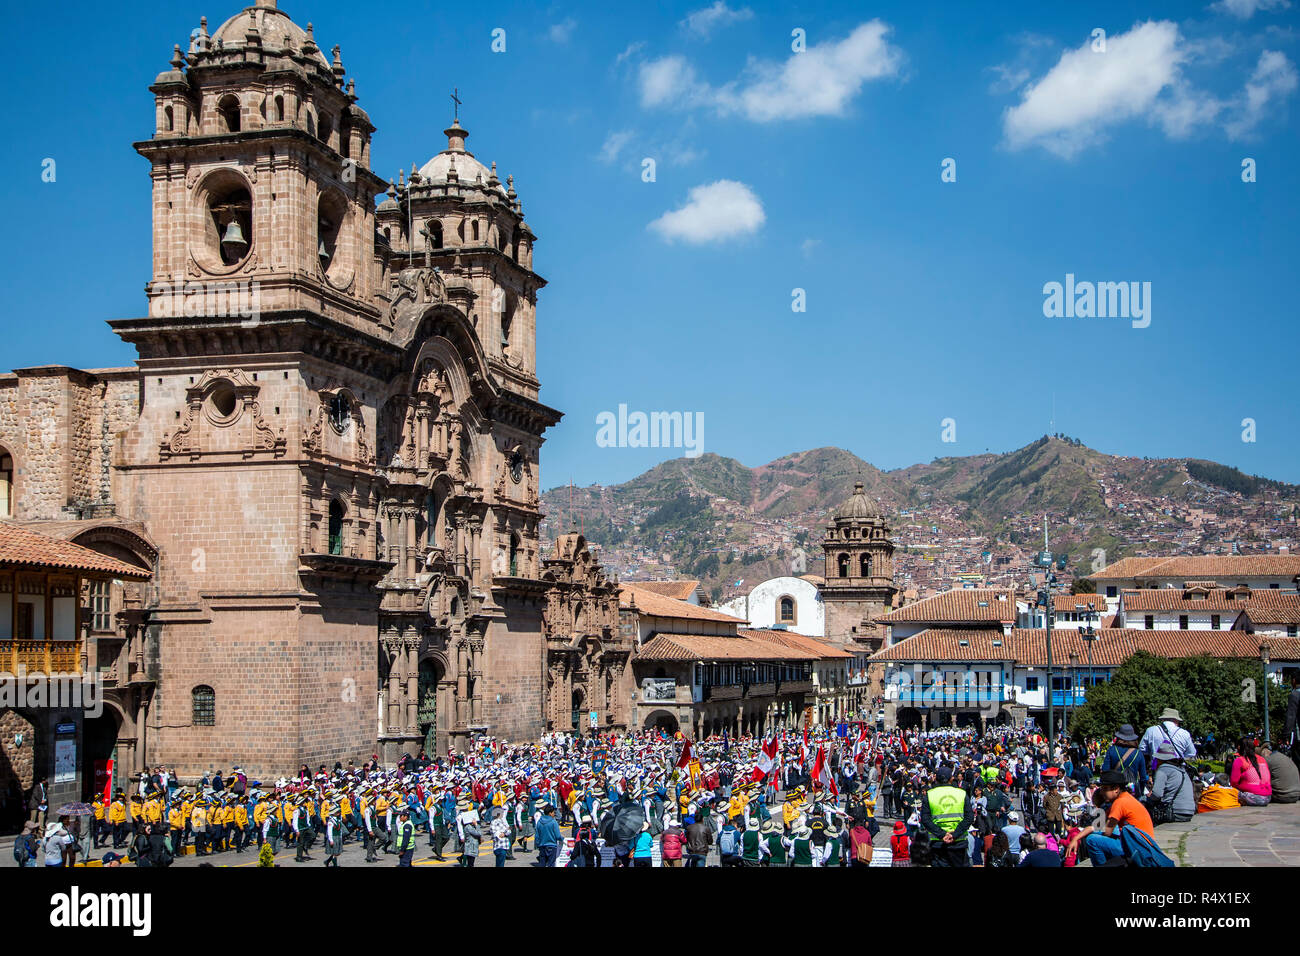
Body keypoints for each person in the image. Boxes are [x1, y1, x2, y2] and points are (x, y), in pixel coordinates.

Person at [1065, 770, 1156, 867]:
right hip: (1142, 845)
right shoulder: (1125, 799)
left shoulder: (1120, 803)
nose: (1102, 792)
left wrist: (1084, 835)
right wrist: (1076, 838)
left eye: (1105, 789)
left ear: (1116, 789)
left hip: (1139, 848)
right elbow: (1095, 826)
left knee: (1092, 840)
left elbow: (1107, 831)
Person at [920, 766, 973, 868]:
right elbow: (969, 817)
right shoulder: (961, 793)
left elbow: (925, 820)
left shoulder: (930, 795)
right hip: (958, 842)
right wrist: (954, 835)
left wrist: (942, 834)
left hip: (938, 843)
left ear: (936, 779)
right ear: (951, 778)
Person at [1144, 741, 1195, 823]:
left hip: (1174, 811)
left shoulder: (1163, 770)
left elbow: (1157, 794)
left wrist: (1150, 795)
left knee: (1142, 800)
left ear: (1160, 759)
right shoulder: (1182, 770)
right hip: (1189, 811)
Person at [1101, 724, 1148, 794]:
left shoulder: (1112, 750)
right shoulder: (1138, 753)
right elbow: (1143, 777)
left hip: (1116, 790)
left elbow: (1105, 771)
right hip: (1133, 790)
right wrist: (1140, 790)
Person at [1229, 737, 1272, 806]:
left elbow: (1234, 783)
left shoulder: (1240, 760)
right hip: (1268, 797)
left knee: (1228, 792)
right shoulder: (1262, 759)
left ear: (1239, 747)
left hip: (1253, 797)